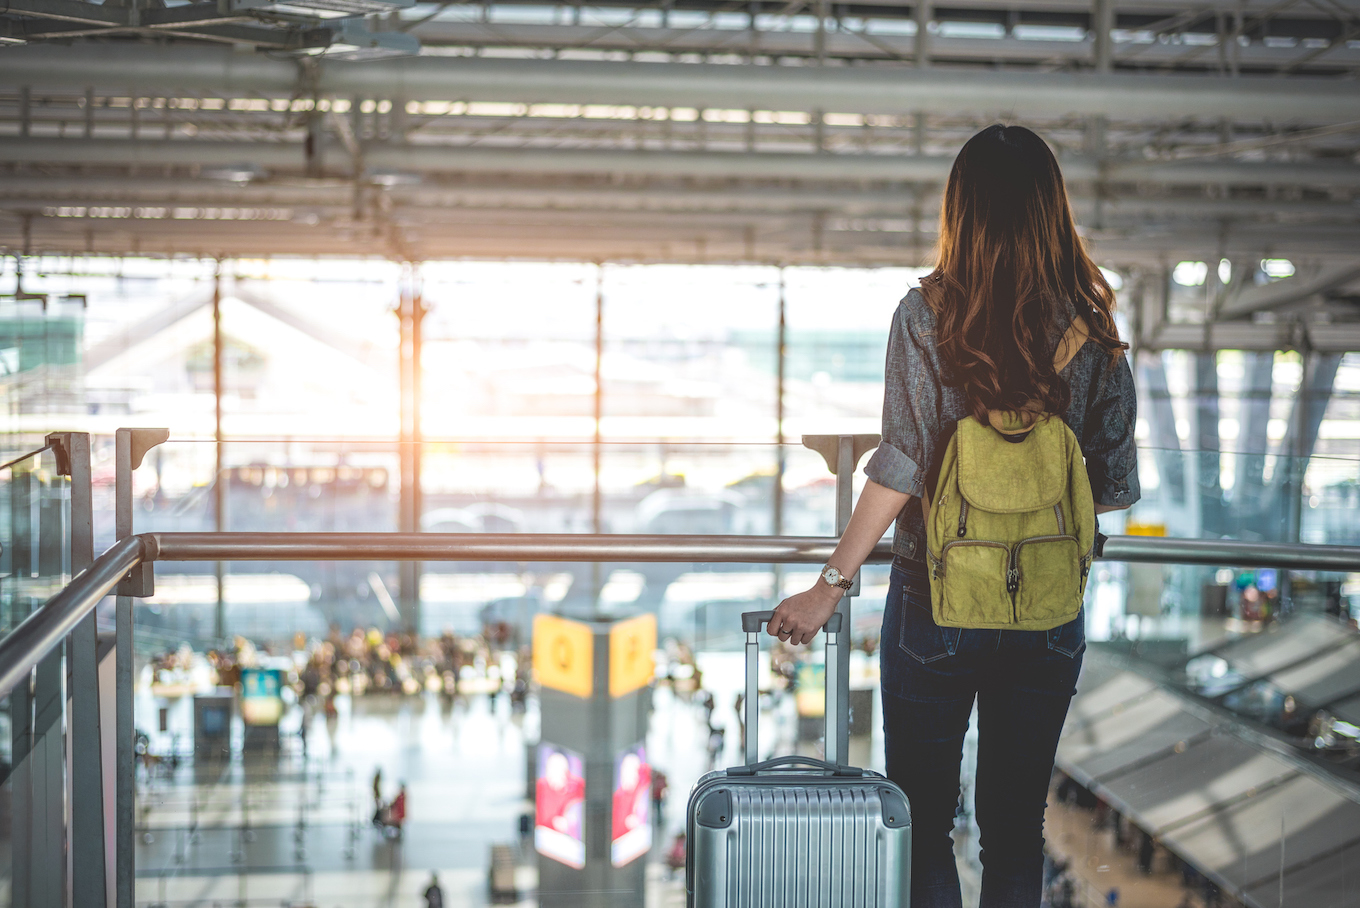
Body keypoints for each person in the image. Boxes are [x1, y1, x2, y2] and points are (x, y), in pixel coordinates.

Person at [768, 124, 1138, 908]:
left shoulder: (927, 314)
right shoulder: (1094, 330)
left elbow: (899, 466)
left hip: (934, 601)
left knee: (923, 822)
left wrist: (827, 587)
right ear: (1052, 209)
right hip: (1045, 609)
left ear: (960, 210)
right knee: (1014, 831)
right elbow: (1109, 487)